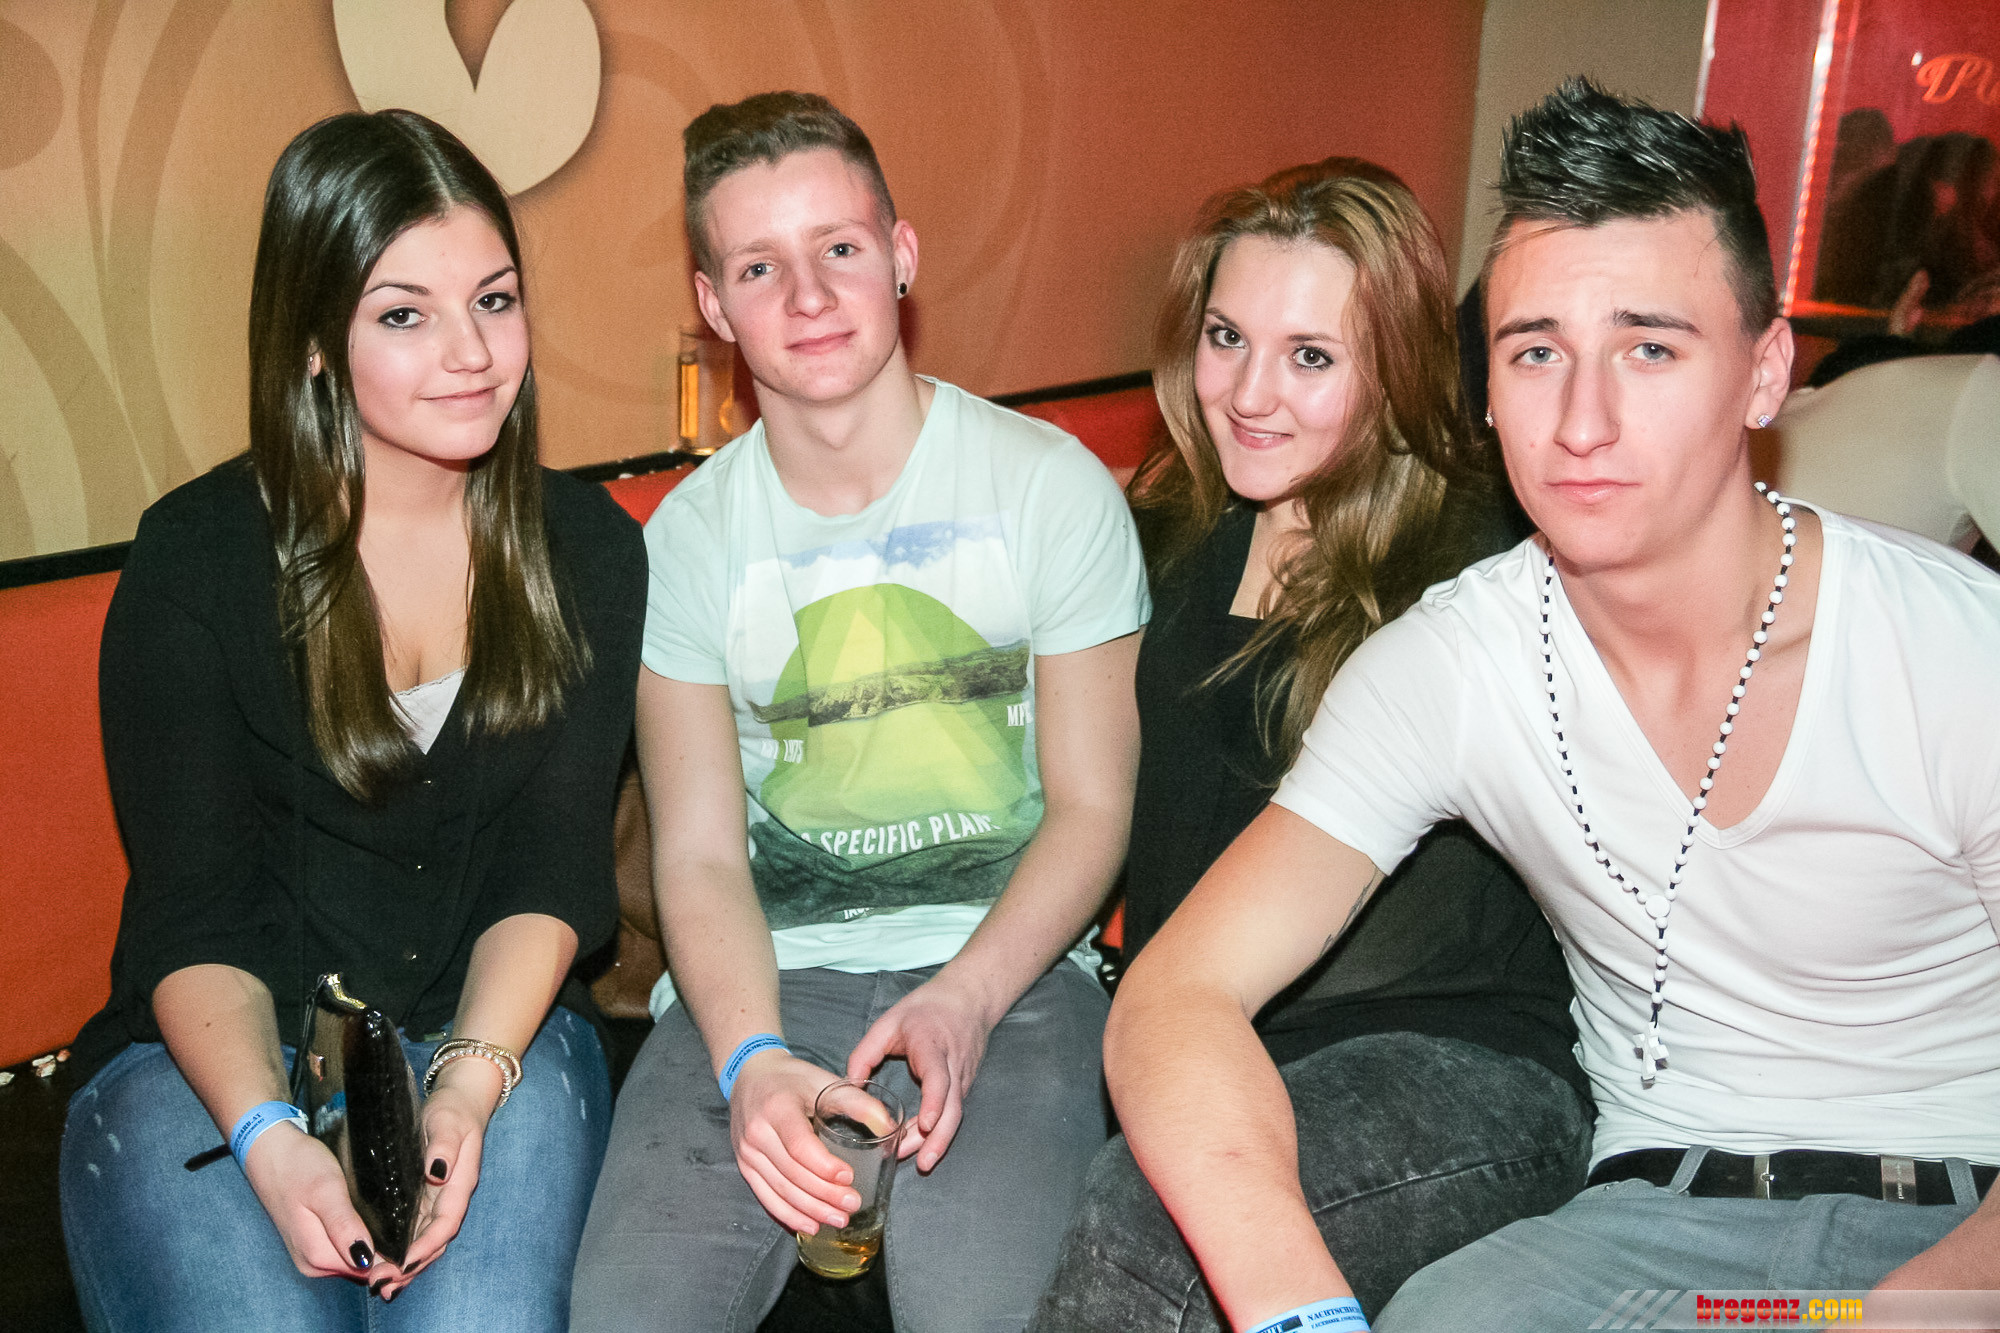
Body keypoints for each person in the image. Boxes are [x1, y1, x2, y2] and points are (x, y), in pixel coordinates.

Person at [1104, 77, 2000, 1333]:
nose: (1580, 421)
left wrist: (1918, 1315)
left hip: (1960, 1219)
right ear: (1483, 386)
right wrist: (1300, 1313)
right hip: (1637, 1224)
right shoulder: (1449, 663)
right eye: (1535, 352)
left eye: (1648, 348)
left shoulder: (1954, 650)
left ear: (1762, 374)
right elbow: (1174, 994)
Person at [568, 92, 1149, 1332]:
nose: (808, 295)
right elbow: (697, 854)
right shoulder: (686, 543)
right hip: (763, 983)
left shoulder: (1049, 490)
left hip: (1012, 974)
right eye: (758, 267)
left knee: (981, 1310)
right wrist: (748, 1058)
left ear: (900, 254)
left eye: (838, 246)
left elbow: (1094, 808)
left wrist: (969, 997)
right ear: (713, 305)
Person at [58, 110, 646, 1331]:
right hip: (218, 1055)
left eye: (493, 300)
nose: (470, 353)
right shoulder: (197, 561)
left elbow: (550, 874)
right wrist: (270, 1138)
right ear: (318, 341)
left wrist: (467, 1089)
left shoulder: (587, 551)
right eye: (403, 314)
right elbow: (196, 913)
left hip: (495, 1029)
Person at [1030, 159, 1589, 1330]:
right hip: (1195, 1038)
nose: (1249, 393)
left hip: (1455, 1056)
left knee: (1150, 1224)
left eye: (1311, 357)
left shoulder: (1481, 564)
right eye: (1226, 337)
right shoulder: (1167, 532)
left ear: (1393, 368)